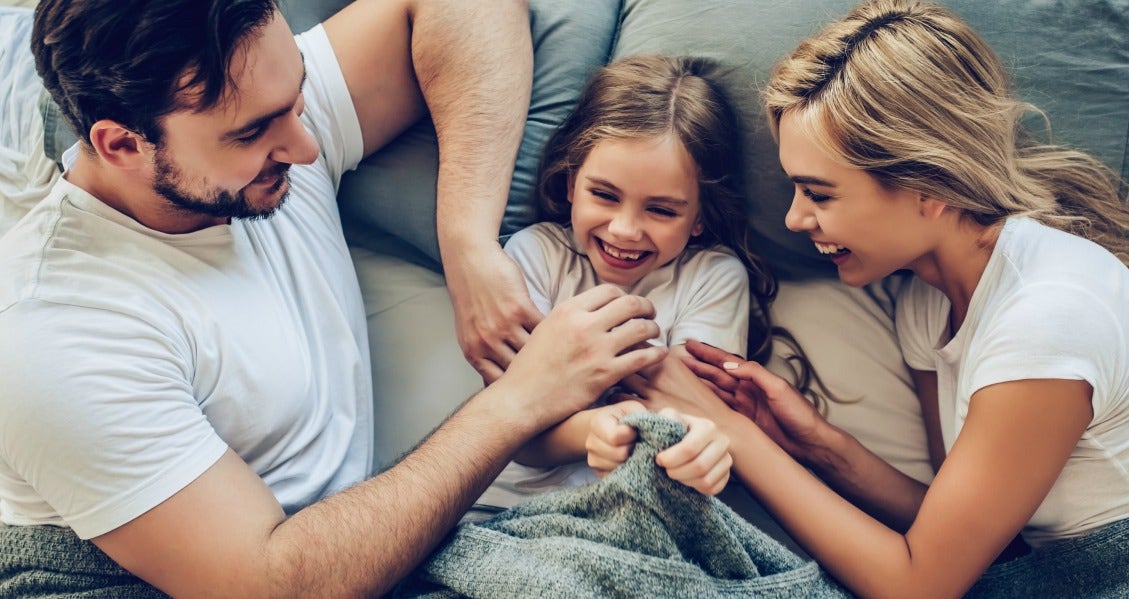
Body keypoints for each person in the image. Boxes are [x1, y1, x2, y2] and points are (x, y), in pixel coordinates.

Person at [0, 1, 670, 597]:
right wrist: (521, 398)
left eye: (297, 94)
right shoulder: (54, 328)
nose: (306, 143)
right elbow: (271, 584)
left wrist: (466, 239)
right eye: (254, 132)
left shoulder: (254, 104)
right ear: (121, 144)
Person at [610, 0, 1129, 596]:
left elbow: (919, 586)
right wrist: (821, 447)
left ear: (929, 186)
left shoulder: (1046, 319)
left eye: (819, 194)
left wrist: (734, 434)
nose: (794, 219)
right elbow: (950, 527)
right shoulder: (928, 298)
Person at [475, 55, 778, 512]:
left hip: (642, 513)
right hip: (510, 511)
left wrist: (674, 439)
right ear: (572, 183)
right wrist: (595, 429)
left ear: (699, 218)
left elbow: (691, 415)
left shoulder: (712, 277)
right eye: (604, 195)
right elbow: (515, 430)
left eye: (661, 210)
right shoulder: (533, 256)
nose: (623, 230)